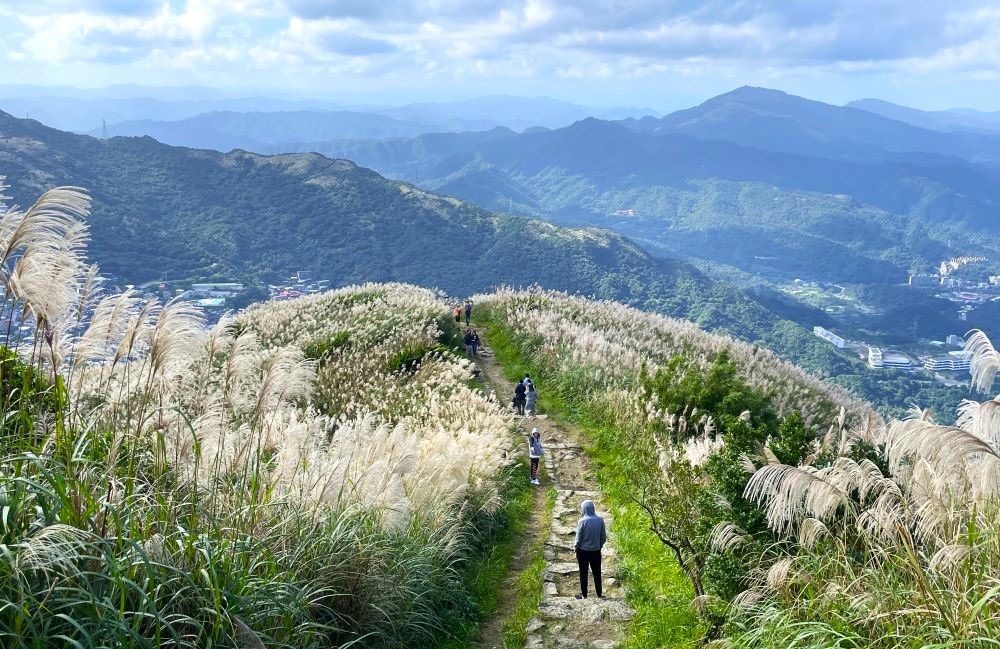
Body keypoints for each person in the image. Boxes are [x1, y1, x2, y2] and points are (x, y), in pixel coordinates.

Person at [574, 500, 607, 599]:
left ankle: (584, 595)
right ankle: (599, 594)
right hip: (596, 551)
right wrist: (598, 546)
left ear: (583, 509)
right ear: (593, 508)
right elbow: (603, 538)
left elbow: (578, 539)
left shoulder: (582, 521)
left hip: (583, 552)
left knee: (583, 573)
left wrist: (576, 548)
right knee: (597, 573)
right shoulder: (600, 520)